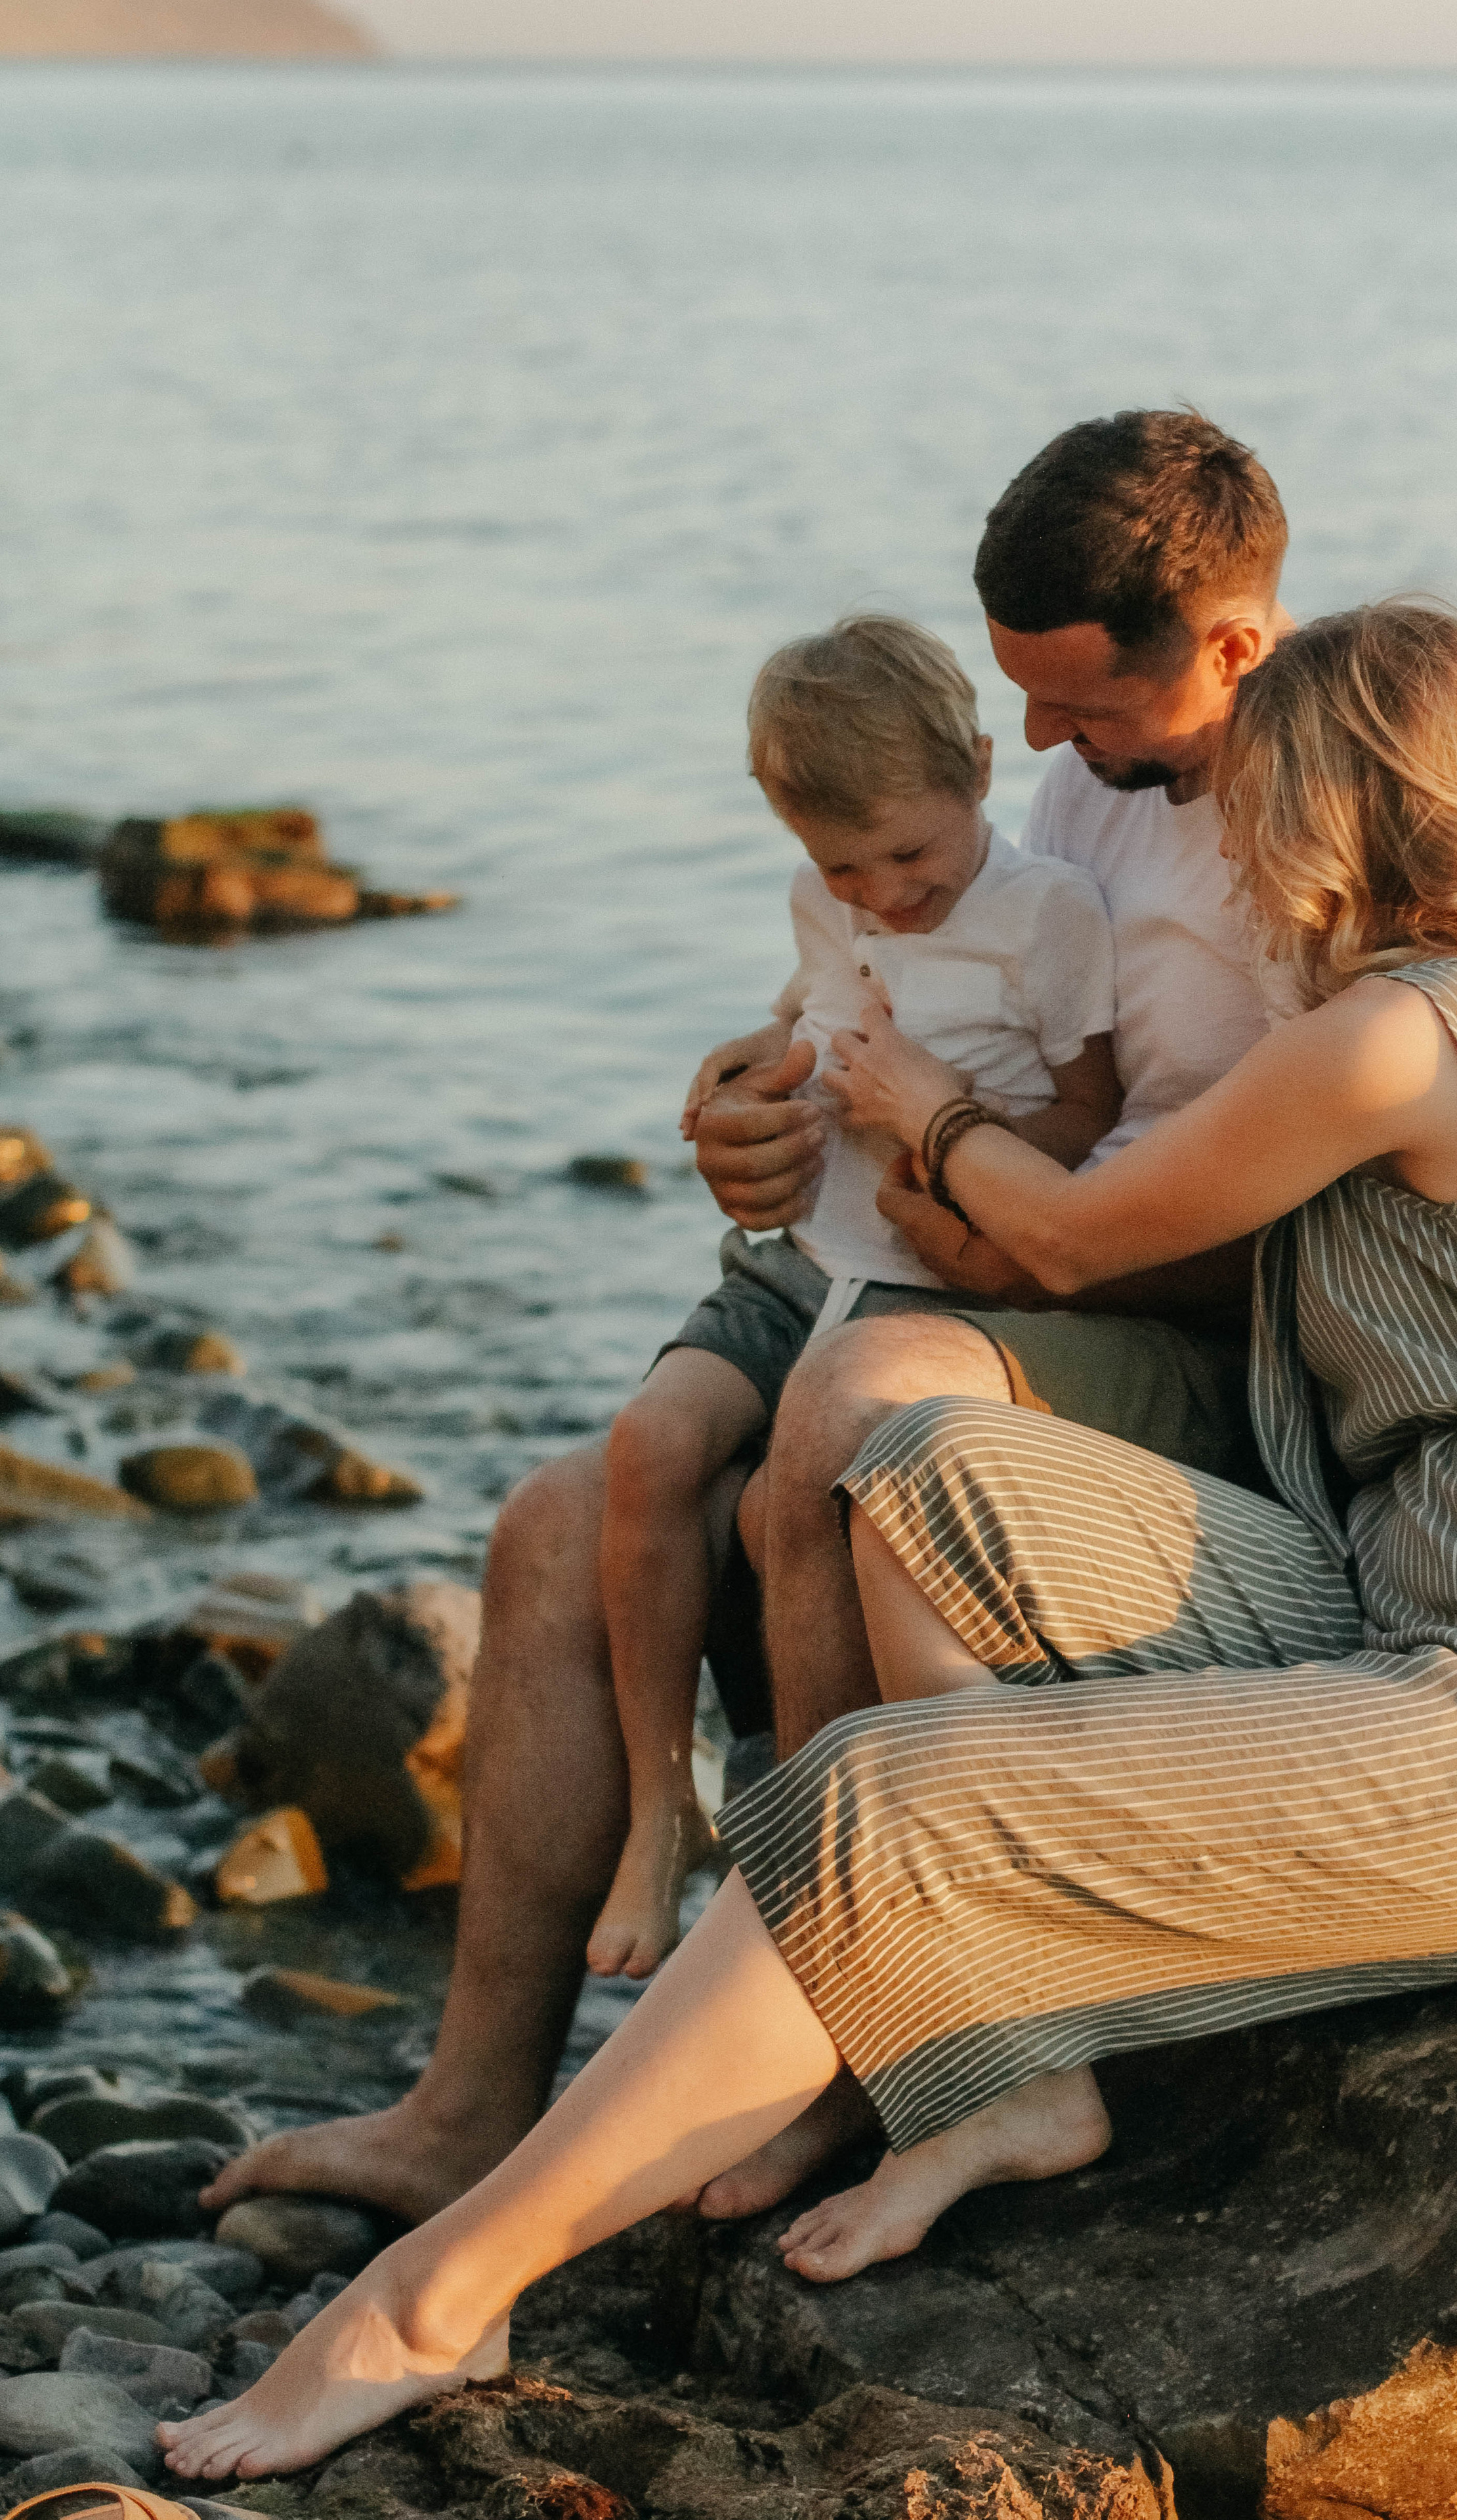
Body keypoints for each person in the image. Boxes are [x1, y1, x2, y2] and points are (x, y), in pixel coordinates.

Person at [159, 596, 1457, 2487]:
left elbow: (1086, 1231)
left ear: (1331, 804)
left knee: (889, 1800)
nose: (1228, 846)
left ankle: (431, 2302)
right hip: (1395, 1589)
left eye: (1256, 803)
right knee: (931, 1464)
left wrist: (923, 1107)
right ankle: (1005, 2070)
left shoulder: (1393, 1033)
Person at [196, 408, 1293, 2229]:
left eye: (1076, 707)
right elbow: (914, 986)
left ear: (1233, 647)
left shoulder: (1326, 830)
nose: (1041, 745)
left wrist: (994, 1205)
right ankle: (469, 2109)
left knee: (845, 1412)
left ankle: (849, 2052)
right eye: (1022, 706)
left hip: (1172, 1328)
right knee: (565, 1518)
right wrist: (751, 1123)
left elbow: (1292, 1206)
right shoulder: (1096, 785)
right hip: (968, 1253)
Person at [589, 616, 1117, 1978]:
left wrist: (949, 1148)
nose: (883, 895)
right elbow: (814, 1017)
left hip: (925, 1278)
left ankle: (810, 1860)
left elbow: (1089, 1113)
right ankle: (662, 1809)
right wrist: (756, 1071)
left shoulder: (1049, 915)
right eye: (842, 867)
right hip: (800, 1260)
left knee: (786, 1507)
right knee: (648, 1446)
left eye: (910, 857)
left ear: (980, 773)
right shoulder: (822, 903)